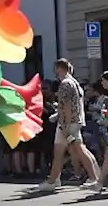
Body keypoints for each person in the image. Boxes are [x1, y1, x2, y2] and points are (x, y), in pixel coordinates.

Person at [37, 59, 100, 192]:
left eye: (55, 68)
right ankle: (54, 179)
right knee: (63, 152)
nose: (54, 71)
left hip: (67, 123)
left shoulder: (65, 84)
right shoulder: (74, 83)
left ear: (59, 68)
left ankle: (94, 179)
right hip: (74, 121)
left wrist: (64, 124)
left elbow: (66, 106)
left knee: (78, 150)